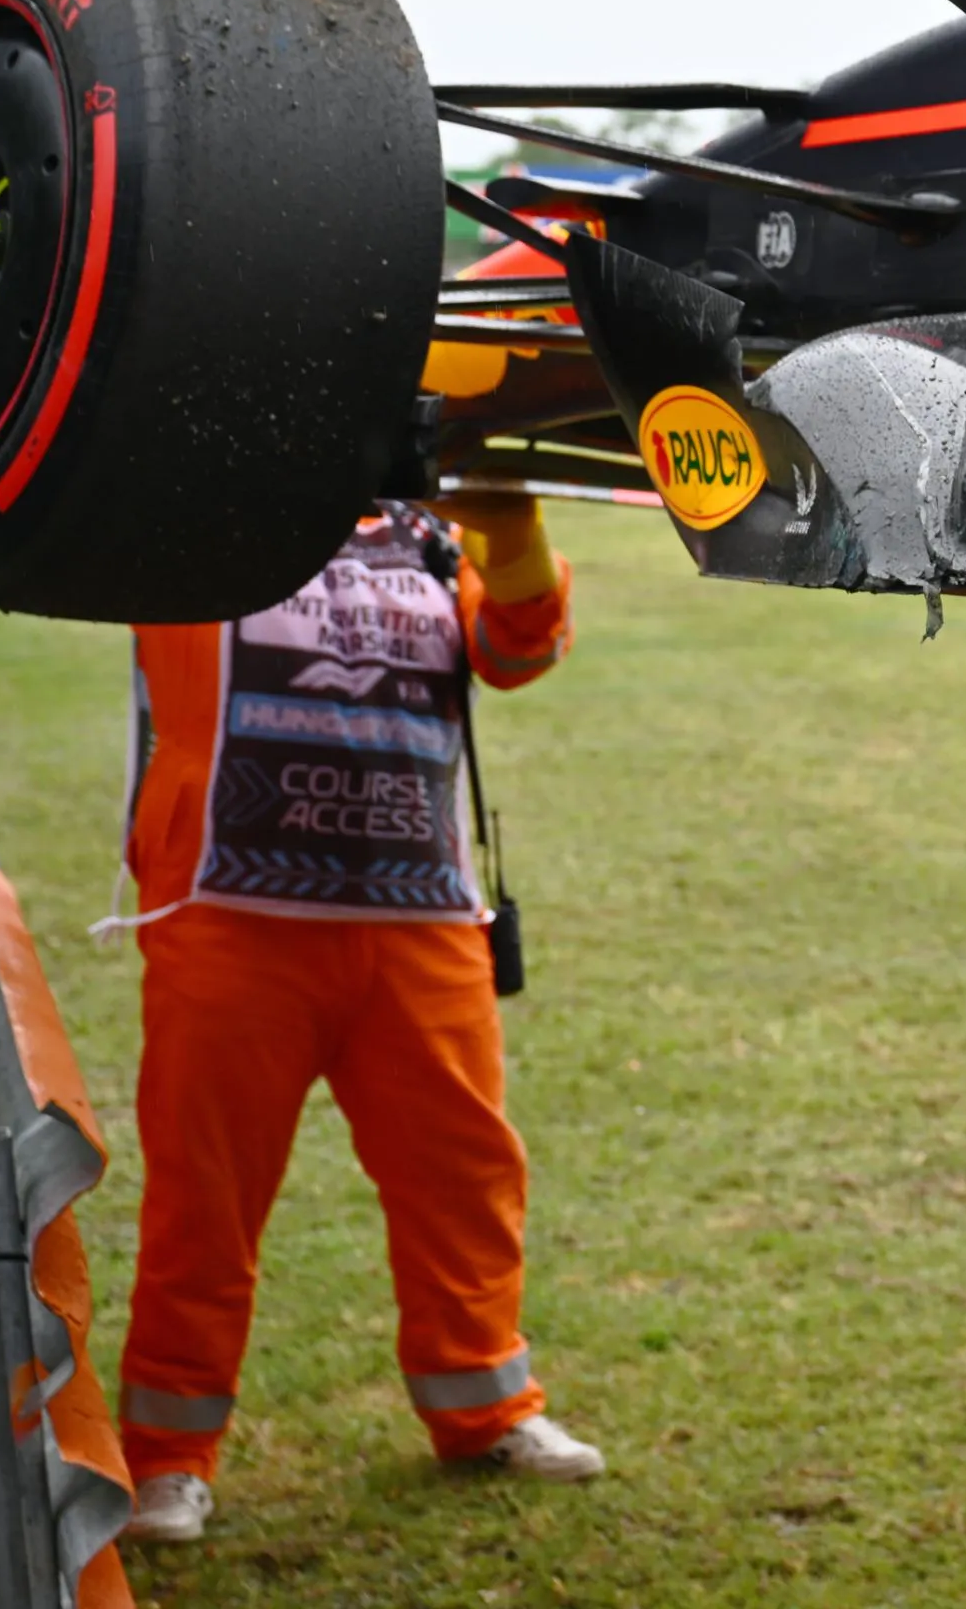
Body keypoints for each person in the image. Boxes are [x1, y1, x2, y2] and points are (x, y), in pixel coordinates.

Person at [110, 490, 606, 1545]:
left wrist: (510, 531)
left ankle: (484, 1405)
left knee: (465, 1179)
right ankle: (165, 1458)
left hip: (417, 921)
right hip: (231, 920)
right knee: (205, 1196)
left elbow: (521, 650)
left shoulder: (431, 530)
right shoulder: (202, 509)